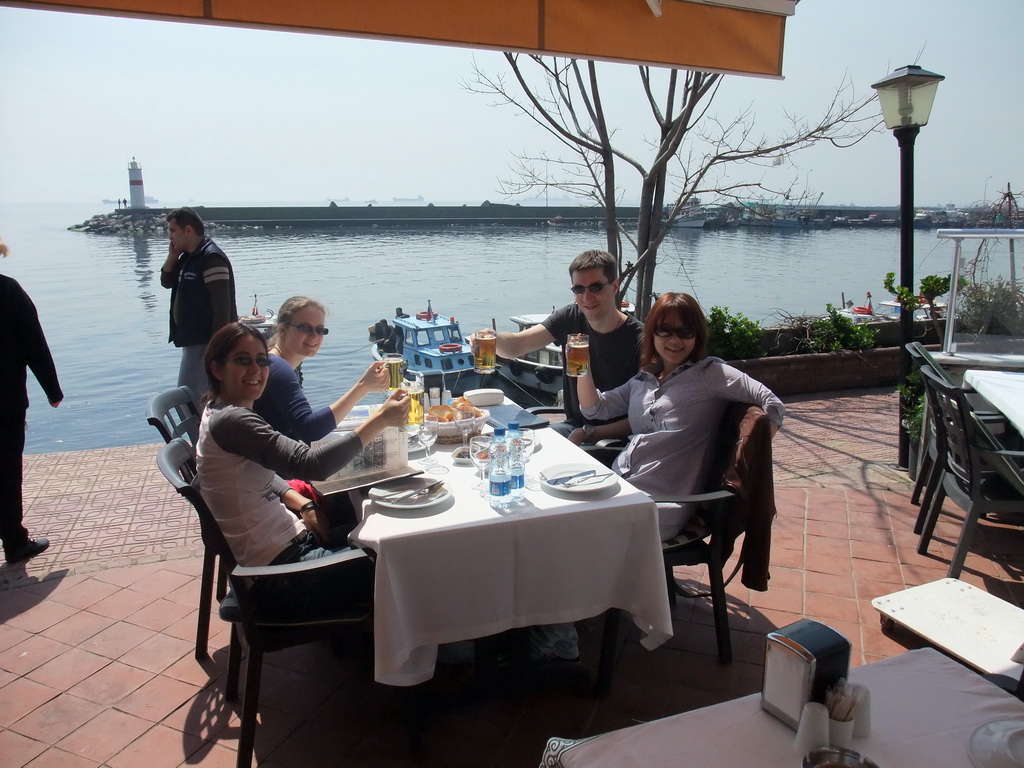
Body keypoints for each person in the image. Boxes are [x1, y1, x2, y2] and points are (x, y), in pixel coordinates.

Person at [196, 322, 409, 571]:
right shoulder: (234, 421)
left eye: (262, 361)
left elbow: (258, 472)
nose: (255, 369)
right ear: (217, 369)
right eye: (243, 360)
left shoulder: (218, 410)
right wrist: (381, 420)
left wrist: (302, 502)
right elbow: (311, 465)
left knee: (381, 527)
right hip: (280, 569)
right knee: (403, 555)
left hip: (286, 543)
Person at [577, 291, 784, 541]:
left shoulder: (710, 375)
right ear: (652, 333)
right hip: (621, 487)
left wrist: (750, 456)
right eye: (665, 330)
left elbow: (772, 404)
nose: (675, 340)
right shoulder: (645, 378)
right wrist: (581, 366)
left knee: (573, 531)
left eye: (685, 332)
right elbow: (595, 408)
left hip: (661, 504)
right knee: (557, 512)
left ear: (697, 337)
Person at [475, 249, 643, 444]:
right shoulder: (570, 316)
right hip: (573, 427)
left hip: (616, 441)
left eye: (596, 287)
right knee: (499, 442)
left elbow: (642, 417)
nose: (586, 297)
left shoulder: (640, 339)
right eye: (579, 289)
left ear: (614, 286)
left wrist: (591, 433)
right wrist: (493, 339)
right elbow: (516, 346)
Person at [0, 236, 63, 564]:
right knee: (7, 469)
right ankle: (14, 540)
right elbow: (34, 345)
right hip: (5, 399)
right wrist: (52, 390)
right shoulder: (8, 291)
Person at [254, 296, 389, 443]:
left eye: (320, 330)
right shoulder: (277, 367)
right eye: (305, 328)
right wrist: (363, 388)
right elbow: (309, 429)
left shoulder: (279, 364)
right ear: (282, 330)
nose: (314, 336)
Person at [161, 207, 237, 398]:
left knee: (191, 400)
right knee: (188, 397)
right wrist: (172, 256)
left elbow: (222, 309)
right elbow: (166, 282)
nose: (169, 236)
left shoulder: (211, 258)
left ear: (188, 230)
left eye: (172, 230)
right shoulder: (188, 257)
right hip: (191, 342)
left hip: (204, 345)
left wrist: (214, 352)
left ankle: (202, 429)